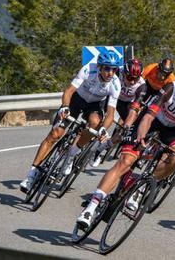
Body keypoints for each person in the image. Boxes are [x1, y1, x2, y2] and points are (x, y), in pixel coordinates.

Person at [75, 67, 175, 228]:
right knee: (126, 161)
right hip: (151, 121)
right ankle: (91, 207)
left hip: (172, 130)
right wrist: (140, 139)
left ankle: (142, 183)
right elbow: (147, 117)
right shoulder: (172, 88)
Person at [19, 51, 120, 193]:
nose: (111, 73)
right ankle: (31, 174)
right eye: (107, 68)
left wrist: (104, 129)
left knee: (95, 124)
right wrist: (65, 107)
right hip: (76, 100)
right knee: (55, 134)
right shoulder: (88, 69)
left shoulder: (115, 84)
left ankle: (72, 153)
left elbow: (110, 113)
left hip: (95, 105)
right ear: (99, 67)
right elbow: (68, 91)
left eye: (114, 69)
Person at [91, 58, 144, 167]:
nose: (133, 81)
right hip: (109, 97)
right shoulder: (116, 72)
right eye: (129, 77)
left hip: (126, 104)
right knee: (96, 118)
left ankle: (100, 149)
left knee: (126, 131)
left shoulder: (142, 85)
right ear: (124, 72)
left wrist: (127, 125)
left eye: (136, 78)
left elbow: (135, 107)